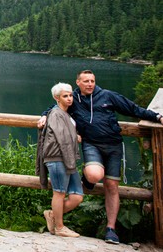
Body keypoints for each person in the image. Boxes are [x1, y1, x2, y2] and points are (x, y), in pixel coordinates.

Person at [38, 69, 163, 244]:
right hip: (91, 144)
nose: (90, 84)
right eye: (86, 81)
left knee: (112, 185)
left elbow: (132, 108)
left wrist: (157, 116)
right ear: (78, 83)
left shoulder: (108, 96)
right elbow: (56, 106)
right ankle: (87, 179)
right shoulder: (73, 98)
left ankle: (111, 229)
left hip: (113, 146)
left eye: (92, 81)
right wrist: (44, 115)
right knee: (95, 175)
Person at [37, 83, 83, 238]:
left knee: (77, 195)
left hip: (68, 158)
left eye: (70, 95)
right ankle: (59, 227)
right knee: (59, 193)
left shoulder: (67, 114)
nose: (69, 98)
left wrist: (75, 136)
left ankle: (51, 215)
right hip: (58, 158)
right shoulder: (56, 114)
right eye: (65, 96)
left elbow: (67, 135)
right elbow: (61, 139)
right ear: (57, 98)